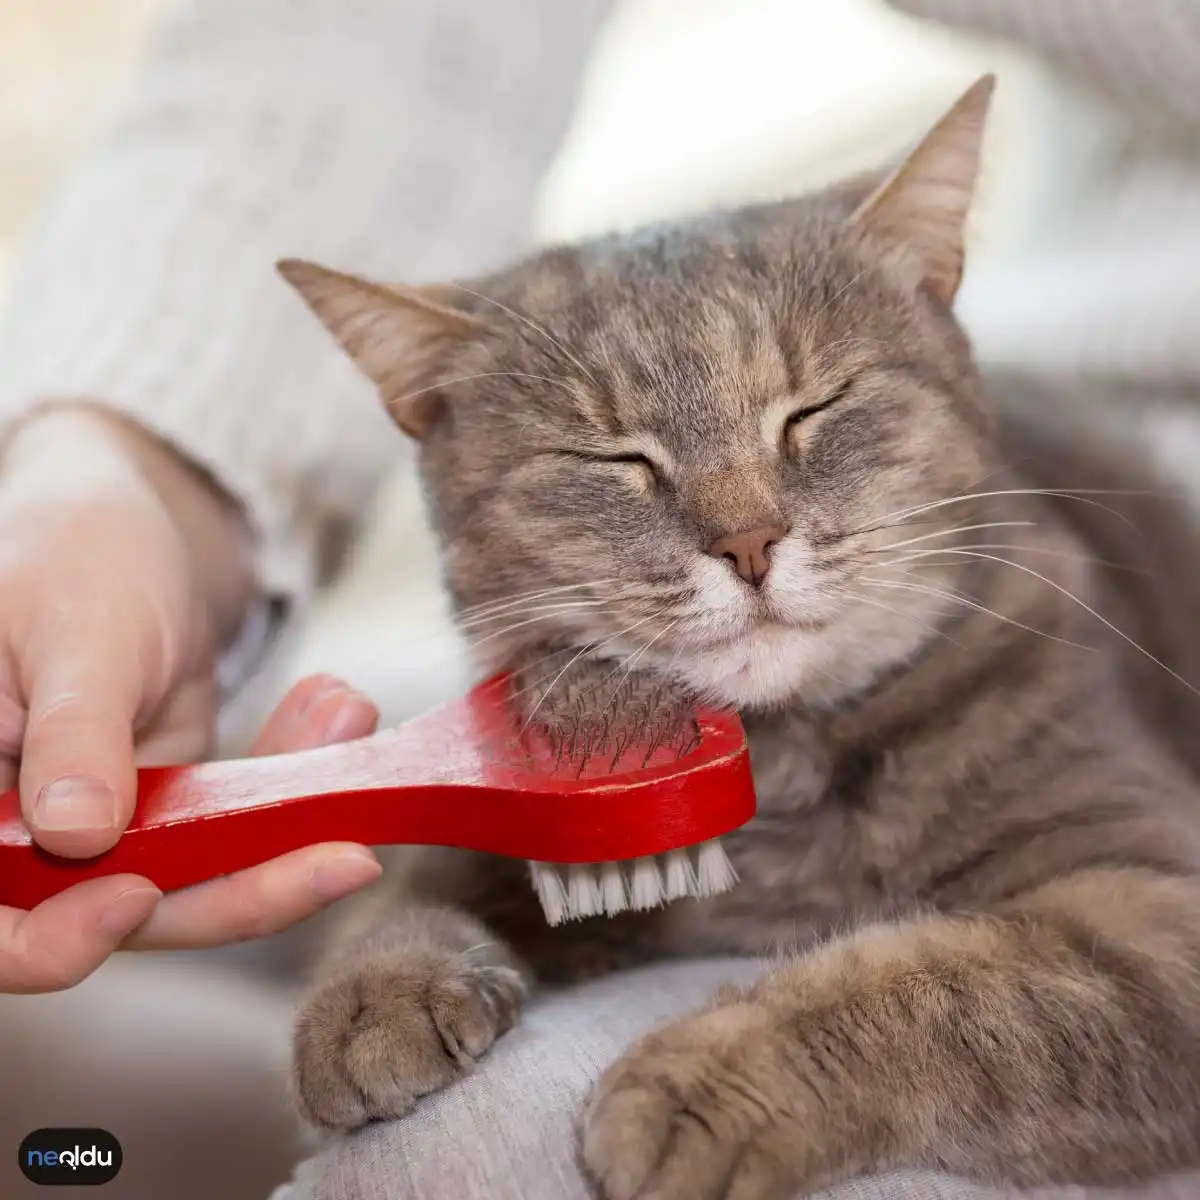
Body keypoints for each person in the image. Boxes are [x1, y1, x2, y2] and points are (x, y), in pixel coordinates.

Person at [1, 1, 1198, 1198]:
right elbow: (378, 46)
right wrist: (122, 471)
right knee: (56, 1035)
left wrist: (824, 1062)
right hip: (635, 654)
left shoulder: (1039, 617)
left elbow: (1170, 972)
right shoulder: (582, 673)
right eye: (619, 471)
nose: (746, 538)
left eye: (813, 424)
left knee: (455, 1157)